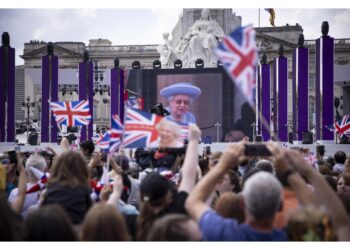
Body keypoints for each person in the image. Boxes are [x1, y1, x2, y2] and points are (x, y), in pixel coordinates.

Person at [185, 143, 288, 241]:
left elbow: (192, 202)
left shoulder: (224, 233)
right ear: (280, 205)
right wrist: (287, 168)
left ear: (242, 203)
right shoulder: (292, 236)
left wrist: (223, 165)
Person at [42, 151, 92, 225]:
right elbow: (90, 213)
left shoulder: (51, 188)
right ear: (81, 168)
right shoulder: (84, 189)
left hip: (53, 229)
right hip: (77, 230)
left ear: (57, 167)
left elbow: (43, 212)